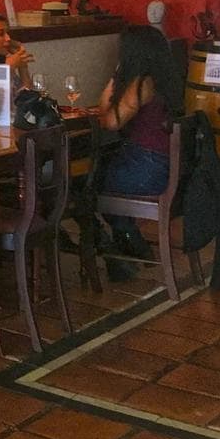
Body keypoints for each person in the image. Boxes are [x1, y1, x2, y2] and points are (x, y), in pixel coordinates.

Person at [96, 24, 183, 280]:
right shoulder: (166, 79)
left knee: (86, 187)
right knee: (95, 180)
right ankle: (126, 243)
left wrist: (114, 78)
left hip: (148, 166)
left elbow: (109, 121)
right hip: (166, 165)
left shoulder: (141, 83)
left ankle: (119, 246)